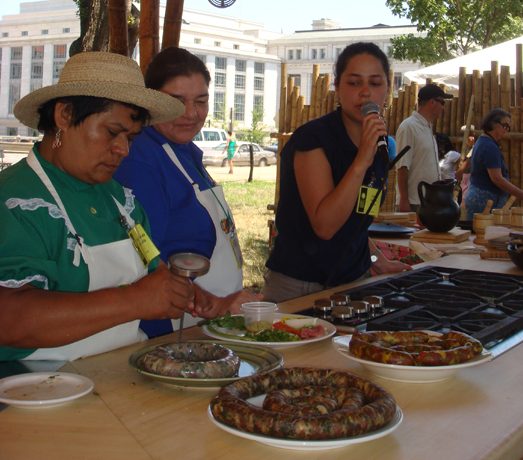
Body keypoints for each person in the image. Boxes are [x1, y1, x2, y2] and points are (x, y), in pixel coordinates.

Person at [0, 51, 223, 361]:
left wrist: (196, 297)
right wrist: (133, 301)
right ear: (64, 115)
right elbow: (9, 320)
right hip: (36, 393)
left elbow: (155, 269)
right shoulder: (14, 201)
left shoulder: (122, 202)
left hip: (123, 381)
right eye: (112, 132)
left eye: (130, 138)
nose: (123, 150)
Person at [114, 47, 258, 336]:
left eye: (201, 101)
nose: (191, 114)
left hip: (215, 321)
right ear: (152, 100)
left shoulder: (186, 152)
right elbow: (146, 257)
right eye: (176, 102)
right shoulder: (141, 157)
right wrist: (215, 303)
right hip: (174, 326)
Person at [263, 42, 410, 303]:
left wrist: (376, 259)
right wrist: (362, 160)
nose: (365, 93)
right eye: (354, 83)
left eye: (375, 83)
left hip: (354, 281)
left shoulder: (380, 145)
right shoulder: (312, 140)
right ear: (337, 87)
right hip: (301, 286)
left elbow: (358, 219)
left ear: (388, 88)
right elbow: (326, 226)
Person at [395, 83, 453, 212]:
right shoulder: (409, 127)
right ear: (432, 102)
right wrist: (404, 200)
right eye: (442, 103)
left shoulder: (427, 127)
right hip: (414, 202)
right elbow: (402, 167)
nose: (443, 108)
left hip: (428, 201)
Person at [464, 108, 523, 219]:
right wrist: (520, 194)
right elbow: (497, 178)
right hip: (484, 201)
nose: (506, 130)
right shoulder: (489, 146)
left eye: (508, 128)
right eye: (505, 126)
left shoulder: (484, 142)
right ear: (493, 123)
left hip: (482, 199)